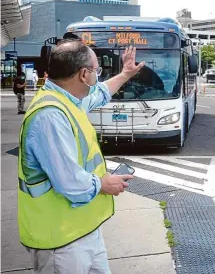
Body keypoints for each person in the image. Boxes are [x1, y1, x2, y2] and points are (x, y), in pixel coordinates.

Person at [17, 39, 145, 274]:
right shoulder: (50, 115)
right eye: (97, 70)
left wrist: (126, 74)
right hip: (60, 241)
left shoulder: (69, 100)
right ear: (84, 74)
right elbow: (70, 182)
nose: (98, 76)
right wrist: (105, 184)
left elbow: (102, 93)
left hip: (81, 230)